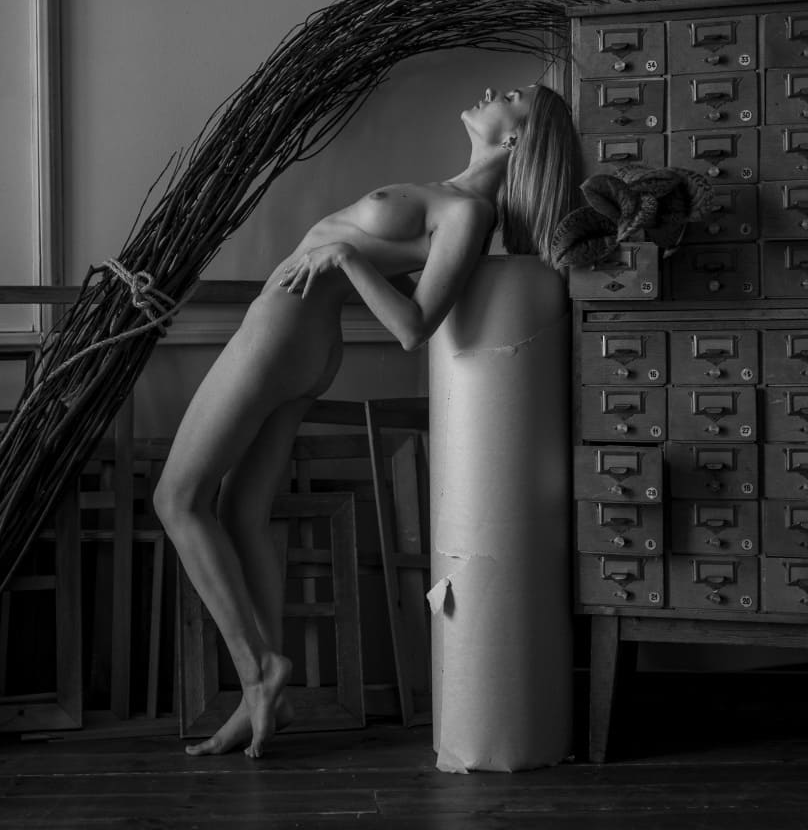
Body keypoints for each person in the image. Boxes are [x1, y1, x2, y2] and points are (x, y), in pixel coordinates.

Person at [153, 83, 579, 757]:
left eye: (515, 97)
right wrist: (357, 261)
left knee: (176, 499)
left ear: (516, 138)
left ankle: (258, 671)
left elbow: (414, 327)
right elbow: (402, 278)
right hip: (294, 336)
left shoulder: (470, 213)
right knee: (241, 512)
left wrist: (348, 258)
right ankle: (268, 702)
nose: (495, 92)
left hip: (281, 337)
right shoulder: (451, 196)